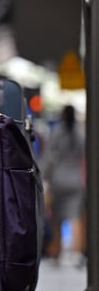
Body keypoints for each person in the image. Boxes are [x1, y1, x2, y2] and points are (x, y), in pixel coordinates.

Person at [40, 105, 87, 265]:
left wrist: (44, 178)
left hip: (58, 179)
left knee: (56, 219)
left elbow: (48, 158)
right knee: (76, 219)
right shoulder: (80, 133)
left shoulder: (57, 132)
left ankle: (57, 253)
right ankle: (77, 253)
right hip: (76, 180)